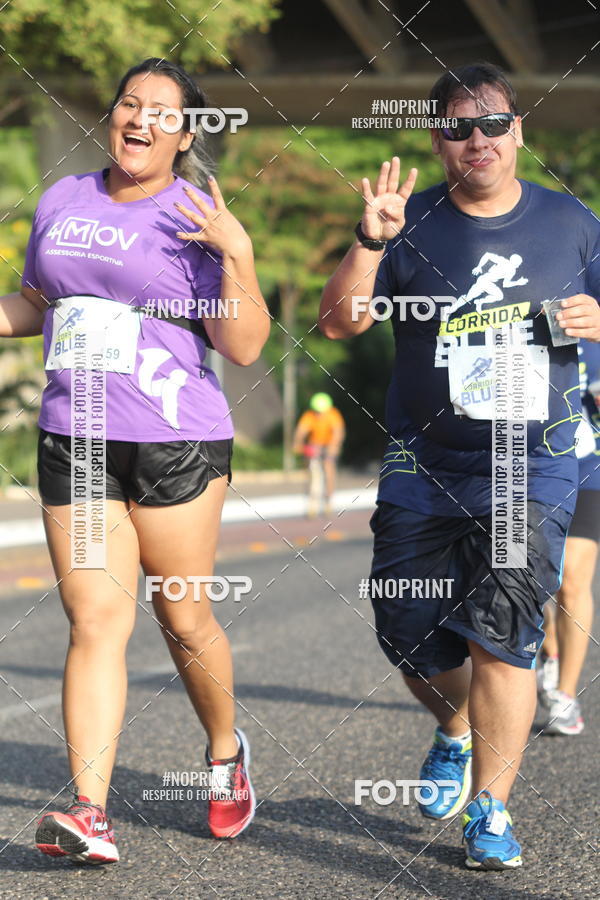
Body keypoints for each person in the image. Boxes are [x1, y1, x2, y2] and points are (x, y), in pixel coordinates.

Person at [319, 61, 600, 870]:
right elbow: (339, 323)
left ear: (520, 130)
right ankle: (453, 726)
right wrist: (371, 240)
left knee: (506, 635)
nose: (477, 139)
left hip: (528, 462)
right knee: (406, 629)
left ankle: (492, 809)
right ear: (438, 139)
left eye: (493, 123)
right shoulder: (408, 222)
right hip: (424, 462)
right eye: (457, 126)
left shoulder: (572, 222)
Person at [1, 58, 270, 863]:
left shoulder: (196, 212)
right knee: (95, 620)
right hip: (76, 436)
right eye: (129, 103)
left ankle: (225, 756)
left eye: (162, 111)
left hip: (174, 440)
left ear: (187, 133)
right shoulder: (62, 197)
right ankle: (90, 812)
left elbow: (245, 344)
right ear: (112, 114)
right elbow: (36, 302)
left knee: (182, 617)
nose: (140, 119)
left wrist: (239, 253)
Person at [537, 338, 600, 734]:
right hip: (529, 467)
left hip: (588, 468)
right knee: (531, 577)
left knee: (573, 581)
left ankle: (565, 694)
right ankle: (549, 649)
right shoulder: (527, 318)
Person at [293, 392, 345, 516]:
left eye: (321, 411)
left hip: (329, 445)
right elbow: (301, 430)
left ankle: (328, 501)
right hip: (315, 445)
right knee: (314, 473)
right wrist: (297, 443)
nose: (319, 414)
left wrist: (334, 446)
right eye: (317, 411)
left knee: (328, 470)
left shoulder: (333, 414)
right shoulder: (309, 415)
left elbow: (338, 431)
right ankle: (313, 503)